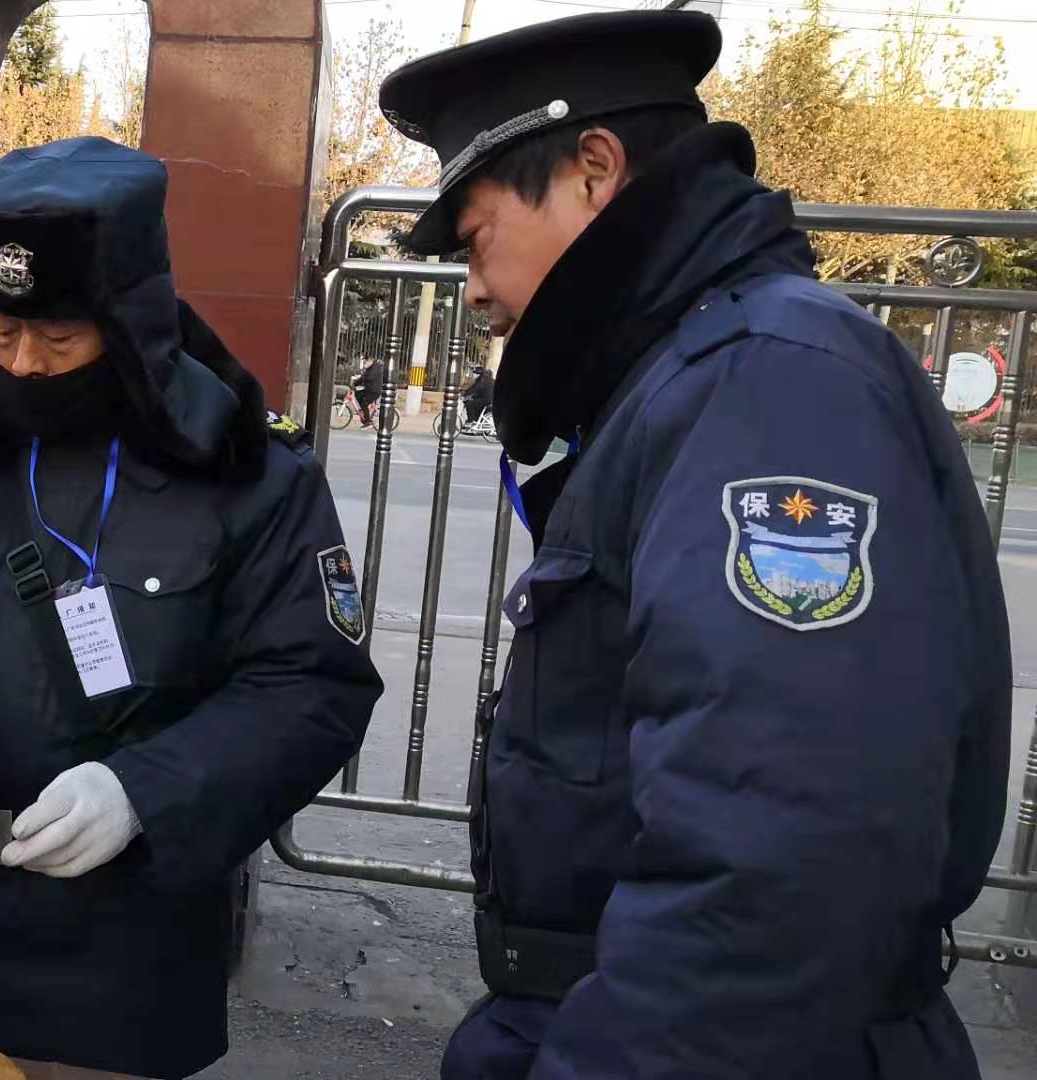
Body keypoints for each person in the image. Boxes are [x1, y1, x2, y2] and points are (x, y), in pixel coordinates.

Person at [377, 10, 1009, 1079]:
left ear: (593, 170)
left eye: (478, 239)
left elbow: (777, 875)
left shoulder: (770, 381)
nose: (474, 289)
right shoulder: (687, 374)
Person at [0, 137, 383, 1079]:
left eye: (60, 338)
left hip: (128, 939)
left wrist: (145, 795)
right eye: (2, 332)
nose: (26, 364)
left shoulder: (244, 467)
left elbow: (311, 684)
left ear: (130, 322)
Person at [351, 354, 384, 426]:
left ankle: (368, 422)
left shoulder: (376, 367)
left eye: (366, 361)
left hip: (374, 391)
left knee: (364, 403)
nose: (365, 363)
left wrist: (361, 377)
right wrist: (355, 383)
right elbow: (364, 377)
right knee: (357, 393)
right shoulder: (370, 367)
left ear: (370, 360)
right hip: (369, 389)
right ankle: (364, 412)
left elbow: (368, 377)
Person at [459, 363, 493, 427]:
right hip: (486, 398)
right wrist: (464, 391)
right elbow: (474, 388)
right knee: (470, 402)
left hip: (486, 399)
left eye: (475, 373)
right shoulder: (482, 379)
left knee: (470, 404)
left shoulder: (483, 379)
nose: (474, 374)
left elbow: (476, 388)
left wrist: (465, 393)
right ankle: (475, 420)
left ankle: (471, 421)